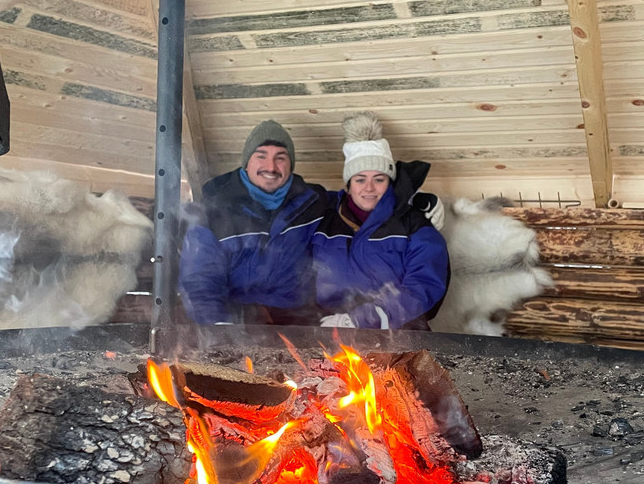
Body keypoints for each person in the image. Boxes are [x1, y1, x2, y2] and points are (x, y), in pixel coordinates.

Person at [178, 120, 328, 325]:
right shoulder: (215, 209)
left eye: (280, 158)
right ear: (247, 162)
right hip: (236, 320)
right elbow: (199, 279)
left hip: (298, 323)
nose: (271, 167)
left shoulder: (314, 204)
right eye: (261, 156)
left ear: (291, 165)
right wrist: (218, 326)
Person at [312, 112, 450, 330]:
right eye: (360, 179)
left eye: (379, 179)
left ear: (390, 182)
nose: (369, 188)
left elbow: (425, 285)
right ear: (348, 185)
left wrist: (361, 320)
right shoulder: (323, 220)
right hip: (330, 332)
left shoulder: (414, 225)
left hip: (398, 338)